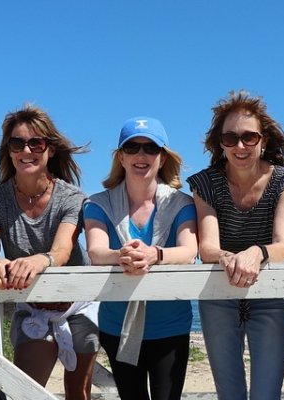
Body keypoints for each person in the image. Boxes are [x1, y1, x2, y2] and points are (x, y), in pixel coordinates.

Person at [0, 104, 98, 400]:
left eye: (36, 143)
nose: (26, 150)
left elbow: (63, 250)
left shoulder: (71, 197)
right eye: (17, 143)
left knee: (78, 393)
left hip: (77, 305)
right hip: (33, 309)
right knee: (23, 393)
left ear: (50, 150)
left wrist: (41, 260)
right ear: (9, 150)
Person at [187, 91, 284, 400]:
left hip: (271, 295)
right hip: (219, 295)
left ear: (264, 140)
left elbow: (283, 247)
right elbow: (207, 248)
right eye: (230, 138)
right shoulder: (205, 182)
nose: (240, 146)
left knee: (267, 394)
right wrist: (230, 258)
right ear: (219, 143)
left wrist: (255, 252)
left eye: (249, 137)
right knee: (230, 394)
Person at [83, 116, 198, 400]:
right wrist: (121, 255)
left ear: (162, 157)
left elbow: (189, 251)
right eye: (132, 147)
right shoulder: (98, 203)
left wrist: (154, 255)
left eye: (151, 148)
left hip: (170, 326)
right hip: (116, 326)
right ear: (121, 157)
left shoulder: (181, 203)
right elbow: (96, 252)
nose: (141, 155)